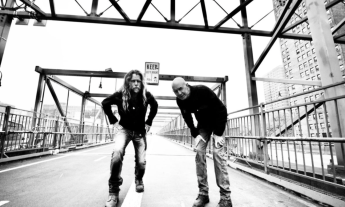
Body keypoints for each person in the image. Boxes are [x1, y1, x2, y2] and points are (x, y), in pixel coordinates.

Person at [172, 77, 232, 207]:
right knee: (199, 151)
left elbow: (222, 110)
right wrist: (195, 133)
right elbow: (186, 116)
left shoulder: (202, 91)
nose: (179, 93)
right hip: (203, 126)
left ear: (186, 85)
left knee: (217, 154)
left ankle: (226, 198)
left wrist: (218, 134)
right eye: (176, 91)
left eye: (181, 89)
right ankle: (203, 193)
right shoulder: (180, 100)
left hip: (217, 123)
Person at [102, 70, 158, 207]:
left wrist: (149, 121)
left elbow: (155, 105)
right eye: (133, 81)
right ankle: (113, 192)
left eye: (138, 81)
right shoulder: (120, 94)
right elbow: (105, 103)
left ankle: (138, 179)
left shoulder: (146, 94)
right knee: (116, 154)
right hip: (124, 130)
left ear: (141, 82)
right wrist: (114, 120)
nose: (136, 83)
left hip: (139, 132)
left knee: (141, 161)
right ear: (128, 81)